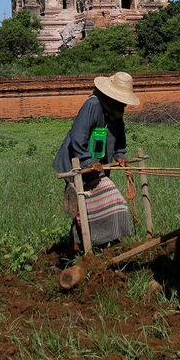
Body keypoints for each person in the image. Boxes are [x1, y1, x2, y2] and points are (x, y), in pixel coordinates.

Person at [53, 72, 140, 252]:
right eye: (121, 100)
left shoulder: (115, 111)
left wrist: (119, 154)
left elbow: (118, 135)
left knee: (86, 205)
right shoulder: (93, 105)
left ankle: (84, 243)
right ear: (110, 96)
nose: (123, 105)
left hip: (96, 166)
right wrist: (88, 161)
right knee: (112, 202)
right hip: (77, 163)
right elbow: (78, 135)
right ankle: (94, 243)